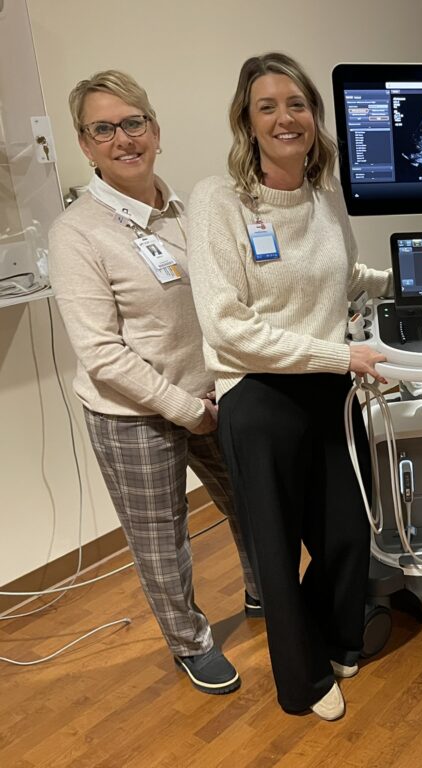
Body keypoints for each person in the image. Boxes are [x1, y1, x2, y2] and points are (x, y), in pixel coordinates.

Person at [187, 52, 391, 721]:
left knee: (348, 535)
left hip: (330, 388)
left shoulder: (323, 194)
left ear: (315, 116)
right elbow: (228, 327)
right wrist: (337, 353)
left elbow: (341, 275)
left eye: (296, 104)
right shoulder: (220, 201)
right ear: (247, 121)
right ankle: (300, 682)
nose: (285, 117)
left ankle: (333, 636)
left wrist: (416, 285)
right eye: (267, 106)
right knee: (276, 553)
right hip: (260, 397)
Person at [48, 70, 260, 696]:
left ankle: (262, 591)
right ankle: (190, 642)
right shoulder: (76, 234)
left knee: (250, 505)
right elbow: (102, 353)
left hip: (212, 396)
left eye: (133, 122)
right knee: (161, 540)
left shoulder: (187, 212)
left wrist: (217, 391)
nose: (123, 138)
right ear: (86, 146)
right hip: (132, 413)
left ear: (156, 131)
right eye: (103, 129)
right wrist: (181, 408)